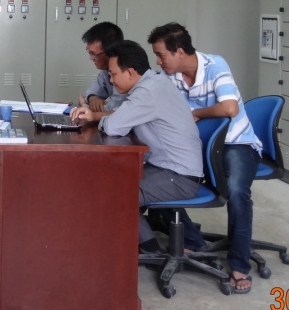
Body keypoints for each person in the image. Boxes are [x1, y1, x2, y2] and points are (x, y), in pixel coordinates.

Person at [148, 22, 262, 294]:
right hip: (194, 146)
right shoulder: (169, 77)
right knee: (157, 176)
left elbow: (230, 108)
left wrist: (197, 113)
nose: (158, 61)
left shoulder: (214, 65)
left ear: (179, 51)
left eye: (161, 55)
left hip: (235, 143)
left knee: (237, 191)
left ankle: (239, 264)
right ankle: (192, 240)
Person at [70, 40, 202, 253]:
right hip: (170, 168)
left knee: (115, 191)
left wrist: (99, 118)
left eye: (113, 74)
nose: (111, 81)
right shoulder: (153, 83)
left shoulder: (146, 92)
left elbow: (113, 126)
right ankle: (136, 240)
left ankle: (149, 250)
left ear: (130, 72)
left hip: (178, 177)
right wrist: (95, 115)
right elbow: (122, 116)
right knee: (109, 179)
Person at [80, 21, 125, 112]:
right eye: (89, 52)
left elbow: (117, 111)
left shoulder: (125, 74)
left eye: (93, 54)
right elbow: (91, 92)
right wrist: (93, 98)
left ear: (110, 51)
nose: (91, 58)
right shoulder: (105, 72)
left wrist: (86, 106)